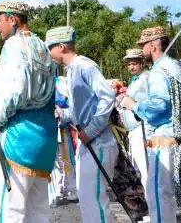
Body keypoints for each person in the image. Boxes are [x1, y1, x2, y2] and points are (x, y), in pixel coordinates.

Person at [118, 26, 181, 223]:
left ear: (154, 45)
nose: (142, 50)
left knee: (158, 190)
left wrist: (134, 105)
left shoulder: (159, 71)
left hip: (166, 136)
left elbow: (159, 105)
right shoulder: (174, 67)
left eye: (144, 45)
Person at [0, 0, 57, 223]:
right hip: (44, 135)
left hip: (19, 136)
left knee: (8, 209)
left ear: (13, 19)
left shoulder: (14, 45)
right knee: (37, 210)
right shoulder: (43, 47)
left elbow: (15, 90)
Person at [46, 26, 118, 223]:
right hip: (87, 141)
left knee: (93, 199)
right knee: (87, 198)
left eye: (50, 47)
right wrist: (62, 114)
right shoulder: (71, 70)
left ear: (61, 46)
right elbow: (81, 108)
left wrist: (91, 130)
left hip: (98, 141)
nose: (49, 52)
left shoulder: (84, 66)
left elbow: (107, 96)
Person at [119, 48, 150, 194]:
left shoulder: (147, 78)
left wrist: (130, 102)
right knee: (141, 171)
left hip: (142, 128)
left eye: (134, 64)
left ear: (142, 63)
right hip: (133, 130)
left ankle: (155, 212)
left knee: (147, 171)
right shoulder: (135, 80)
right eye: (129, 64)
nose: (131, 67)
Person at [48, 75, 77, 206]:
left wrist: (60, 112)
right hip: (48, 129)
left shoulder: (61, 82)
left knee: (65, 159)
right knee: (52, 161)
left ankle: (70, 188)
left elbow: (72, 104)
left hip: (62, 128)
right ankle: (56, 189)